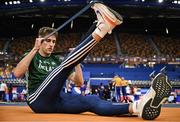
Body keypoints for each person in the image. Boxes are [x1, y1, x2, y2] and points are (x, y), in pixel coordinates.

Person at [14, 3, 172, 120]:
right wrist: (34, 50)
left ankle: (137, 107)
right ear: (40, 41)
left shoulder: (56, 60)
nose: (51, 45)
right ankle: (100, 27)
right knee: (63, 66)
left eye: (53, 42)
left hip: (56, 100)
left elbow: (79, 83)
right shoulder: (32, 54)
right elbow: (17, 73)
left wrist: (75, 62)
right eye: (47, 41)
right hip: (38, 100)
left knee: (92, 100)